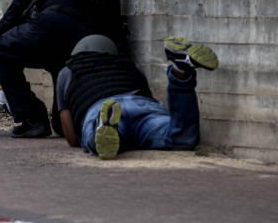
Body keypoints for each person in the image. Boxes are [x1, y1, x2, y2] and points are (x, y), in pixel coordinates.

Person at [0, 0, 127, 139]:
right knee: (58, 69)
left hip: (51, 21)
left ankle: (33, 119)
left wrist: (11, 44)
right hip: (87, 35)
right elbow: (116, 35)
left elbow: (8, 21)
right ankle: (68, 123)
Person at [56, 35, 219, 160]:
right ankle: (180, 72)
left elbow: (70, 136)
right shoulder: (131, 65)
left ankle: (103, 125)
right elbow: (146, 93)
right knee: (182, 137)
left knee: (95, 139)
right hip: (142, 105)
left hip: (102, 106)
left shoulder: (67, 71)